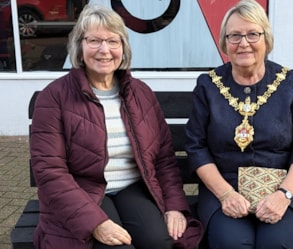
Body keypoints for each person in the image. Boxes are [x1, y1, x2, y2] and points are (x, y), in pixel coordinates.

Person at [29, 4, 203, 249]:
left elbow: (164, 158)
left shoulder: (140, 93)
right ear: (79, 47)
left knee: (160, 243)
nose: (104, 50)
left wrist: (174, 205)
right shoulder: (54, 97)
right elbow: (49, 170)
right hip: (82, 192)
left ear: (123, 48)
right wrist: (95, 223)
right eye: (94, 41)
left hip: (132, 187)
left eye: (113, 41)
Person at [184, 0, 293, 248]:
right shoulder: (208, 85)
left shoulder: (290, 83)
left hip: (282, 187)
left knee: (276, 243)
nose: (243, 43)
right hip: (224, 187)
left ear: (266, 39)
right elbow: (196, 146)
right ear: (225, 42)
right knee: (231, 242)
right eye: (235, 36)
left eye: (252, 34)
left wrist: (284, 194)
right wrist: (225, 194)